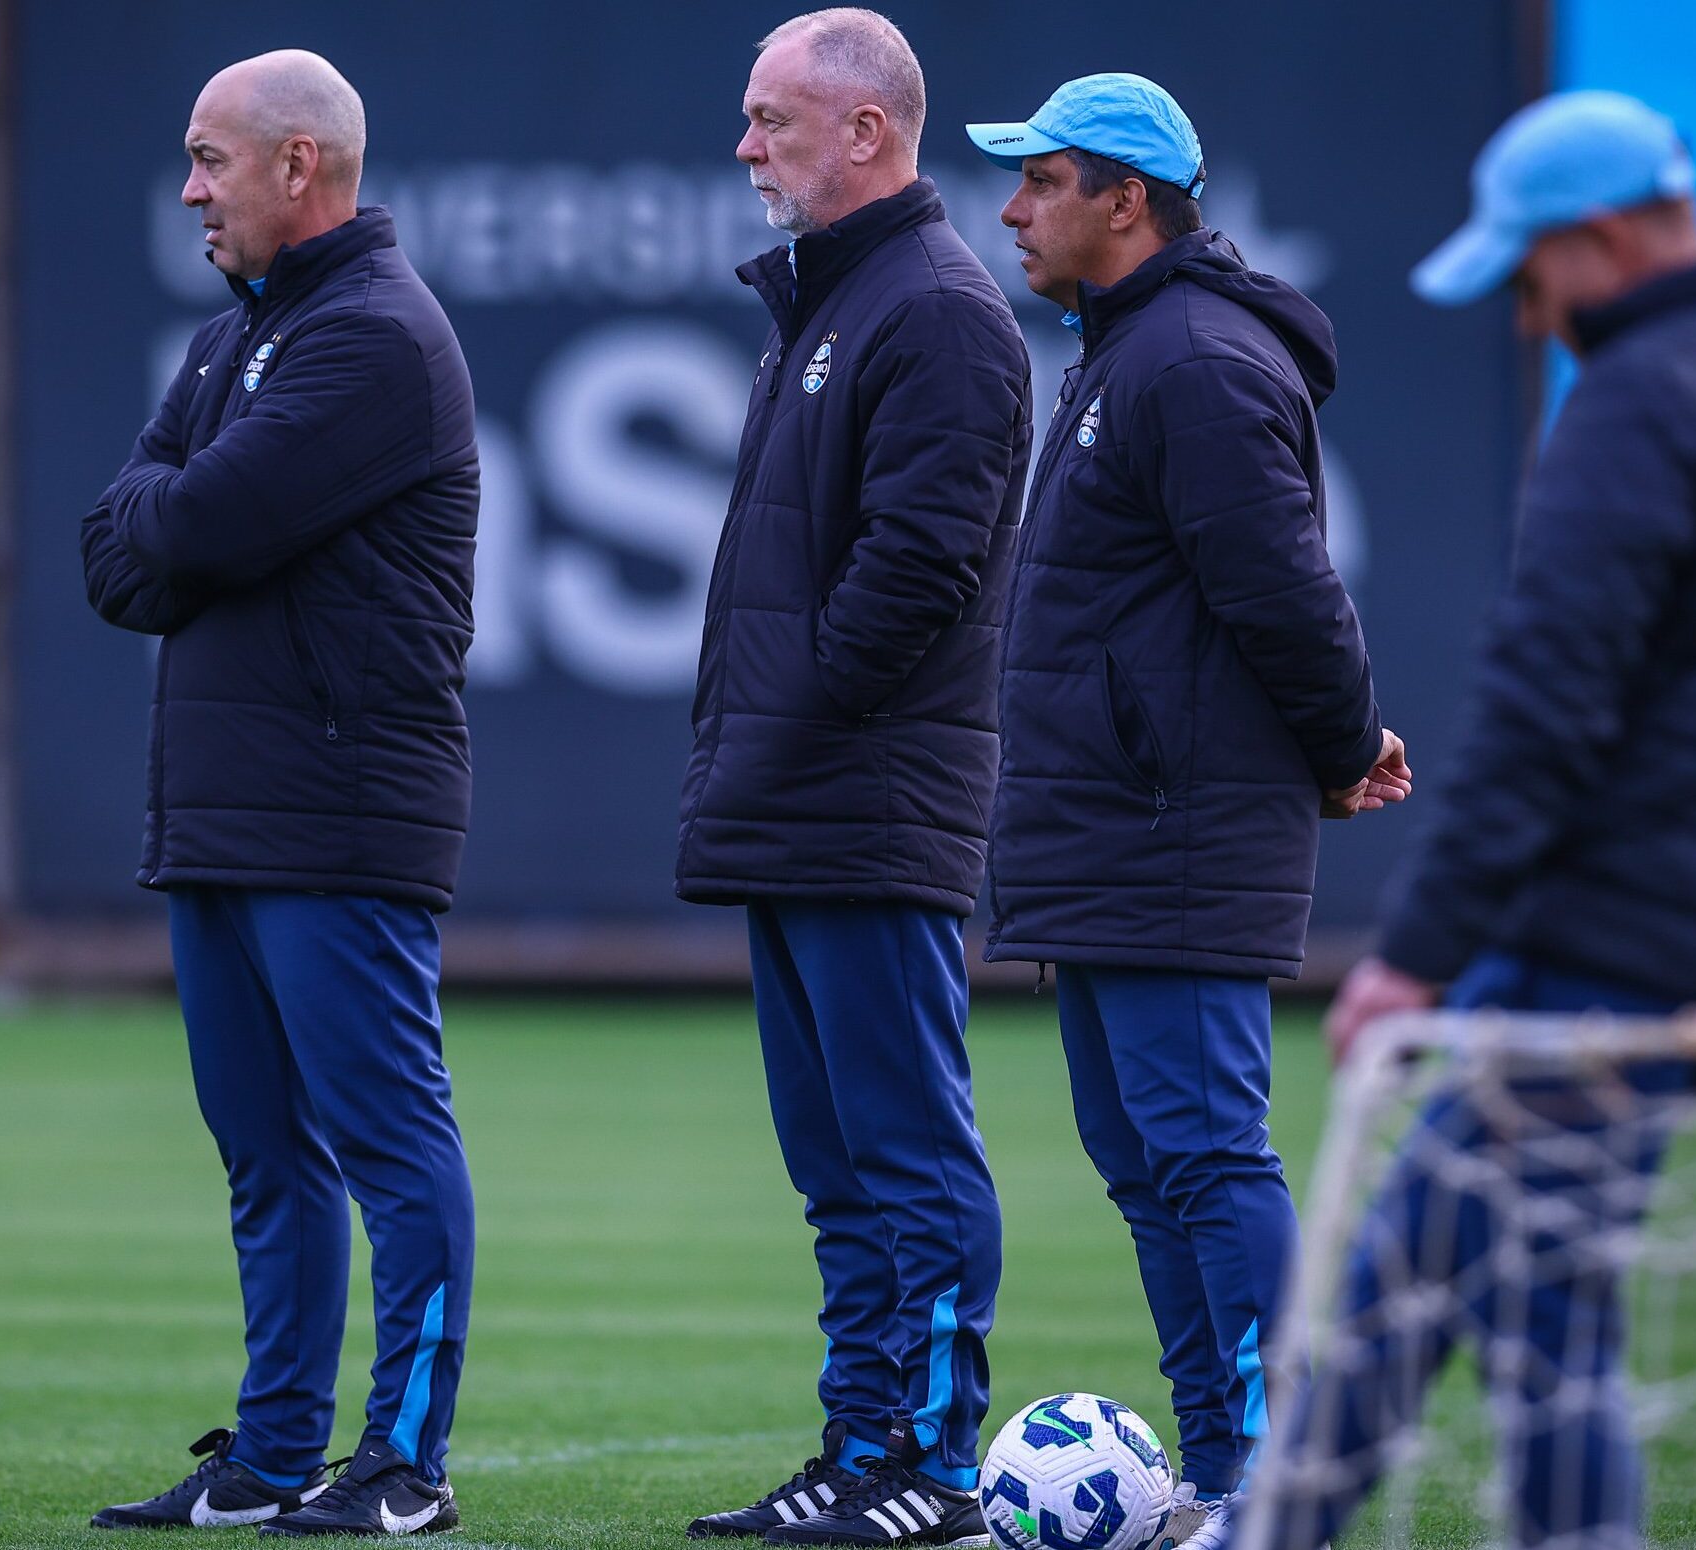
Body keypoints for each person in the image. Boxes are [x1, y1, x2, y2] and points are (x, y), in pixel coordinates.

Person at [1275, 91, 1696, 1549]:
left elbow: (1541, 709)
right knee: (1544, 1307)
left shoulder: (1636, 400)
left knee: (1393, 1281)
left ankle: (1281, 1533)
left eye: (1528, 274)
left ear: (1605, 238)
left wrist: (1415, 956)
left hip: (1602, 938)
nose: (1526, 313)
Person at [964, 73, 1408, 1544]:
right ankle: (1220, 1474)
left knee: (1208, 1157)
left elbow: (1288, 590)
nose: (1015, 208)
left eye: (1043, 181)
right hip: (1112, 828)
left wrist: (1345, 742)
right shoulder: (1126, 350)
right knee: (1150, 1167)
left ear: (1126, 200)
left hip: (1176, 827)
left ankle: (1283, 1485)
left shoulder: (1197, 360)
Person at [77, 48, 481, 1538]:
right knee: (264, 1149)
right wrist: (167, 512)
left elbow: (201, 514)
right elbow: (120, 550)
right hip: (226, 811)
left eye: (211, 158)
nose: (190, 188)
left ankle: (407, 1466)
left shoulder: (373, 335)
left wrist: (170, 512)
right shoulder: (237, 336)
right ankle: (270, 1451)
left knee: (387, 1140)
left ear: (298, 165)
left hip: (340, 809)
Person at [675, 11, 1031, 1545]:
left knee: (902, 1151)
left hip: (867, 802)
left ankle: (937, 1471)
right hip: (802, 797)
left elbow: (921, 570)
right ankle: (863, 1443)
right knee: (839, 1169)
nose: (746, 146)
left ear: (867, 130)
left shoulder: (937, 309)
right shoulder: (837, 304)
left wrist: (794, 718)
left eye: (770, 118)